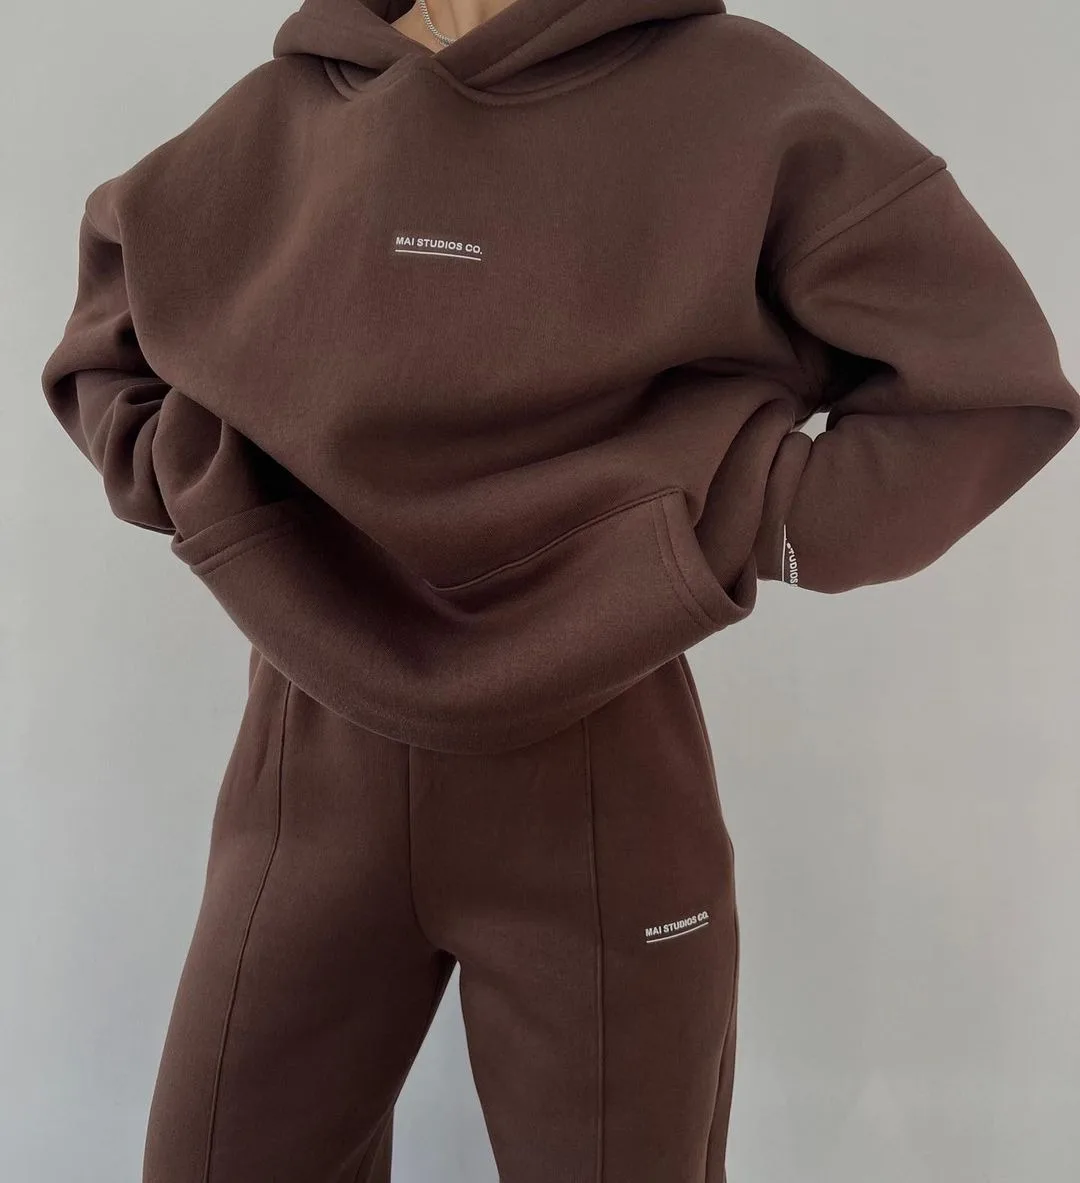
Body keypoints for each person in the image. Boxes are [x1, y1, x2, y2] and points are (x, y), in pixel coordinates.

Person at [39, 1, 1080, 1180]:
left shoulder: (737, 95)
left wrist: (748, 509)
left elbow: (986, 390)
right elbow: (106, 341)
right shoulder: (292, 109)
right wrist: (212, 487)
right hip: (308, 764)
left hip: (600, 768)